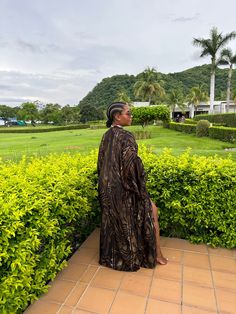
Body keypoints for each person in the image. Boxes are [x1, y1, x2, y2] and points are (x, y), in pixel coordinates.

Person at [97, 102, 168, 272]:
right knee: (152, 211)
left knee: (114, 222)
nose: (131, 116)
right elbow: (131, 167)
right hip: (124, 189)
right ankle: (155, 254)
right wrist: (138, 189)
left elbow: (101, 163)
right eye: (128, 114)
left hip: (106, 188)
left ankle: (112, 258)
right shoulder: (126, 136)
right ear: (117, 116)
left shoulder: (106, 135)